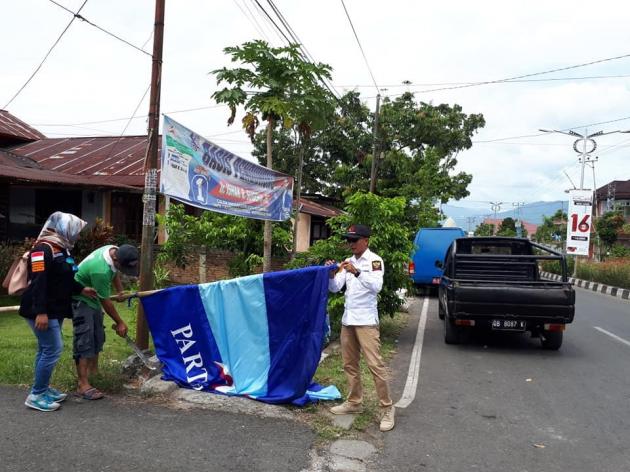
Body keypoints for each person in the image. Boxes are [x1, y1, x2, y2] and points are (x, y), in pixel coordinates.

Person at [19, 212, 97, 412]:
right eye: (76, 232)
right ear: (65, 229)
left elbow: (64, 278)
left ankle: (42, 389)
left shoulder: (62, 248)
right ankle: (36, 395)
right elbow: (38, 282)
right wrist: (40, 312)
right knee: (53, 349)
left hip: (55, 308)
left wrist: (81, 289)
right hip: (42, 309)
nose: (78, 236)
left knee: (45, 349)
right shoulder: (41, 249)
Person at [326, 224, 395, 432]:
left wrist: (356, 272)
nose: (351, 244)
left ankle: (387, 408)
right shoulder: (346, 262)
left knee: (375, 365)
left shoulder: (374, 261)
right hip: (349, 320)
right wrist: (331, 274)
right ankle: (354, 402)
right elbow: (336, 288)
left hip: (366, 321)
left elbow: (377, 287)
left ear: (366, 240)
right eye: (349, 240)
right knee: (349, 364)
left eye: (354, 240)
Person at [72, 244, 139, 400]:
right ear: (116, 259)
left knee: (98, 335)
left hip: (94, 297)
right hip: (81, 299)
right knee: (84, 338)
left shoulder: (114, 250)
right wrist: (120, 322)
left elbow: (114, 272)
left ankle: (94, 374)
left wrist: (120, 290)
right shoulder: (100, 270)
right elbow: (106, 302)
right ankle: (82, 384)